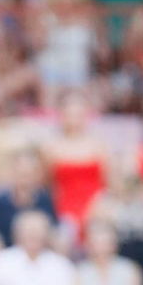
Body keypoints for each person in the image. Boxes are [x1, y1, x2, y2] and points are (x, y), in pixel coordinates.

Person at [41, 88, 109, 238]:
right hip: (65, 208)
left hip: (96, 207)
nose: (74, 119)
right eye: (69, 114)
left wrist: (99, 205)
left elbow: (107, 182)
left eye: (78, 114)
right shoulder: (52, 147)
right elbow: (47, 184)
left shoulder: (98, 145)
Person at [0, 151, 57, 246]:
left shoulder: (44, 201)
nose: (24, 180)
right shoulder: (0, 202)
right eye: (20, 175)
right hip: (7, 254)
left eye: (27, 175)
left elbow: (53, 228)